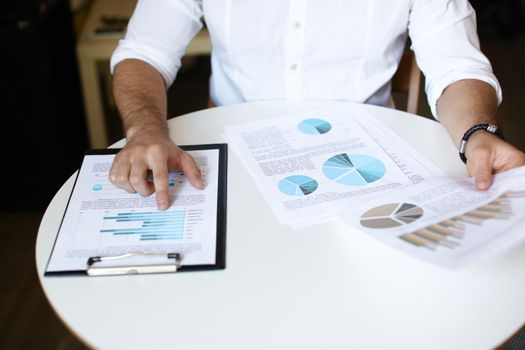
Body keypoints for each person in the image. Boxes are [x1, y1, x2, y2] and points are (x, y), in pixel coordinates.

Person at [109, 0, 525, 210]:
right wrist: (146, 130)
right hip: (230, 171)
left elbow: (455, 66)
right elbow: (144, 53)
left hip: (365, 172)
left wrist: (477, 133)